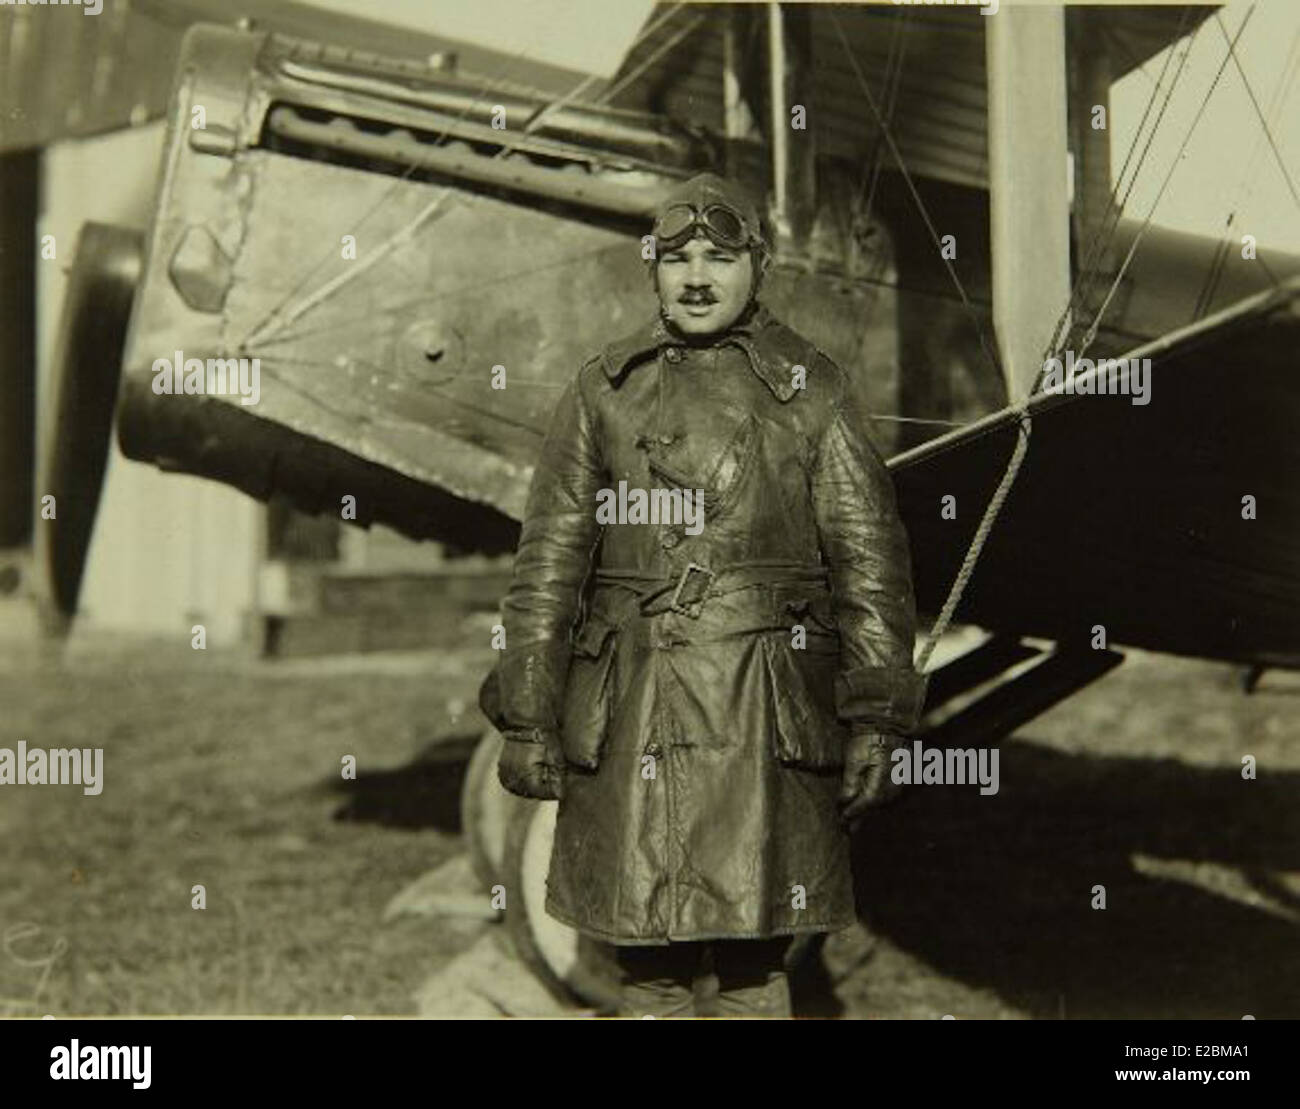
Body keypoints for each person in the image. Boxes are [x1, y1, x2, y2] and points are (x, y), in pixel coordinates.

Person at [483, 171, 923, 1017]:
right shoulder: (601, 392)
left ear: (757, 265)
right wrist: (529, 714)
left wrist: (876, 716)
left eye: (719, 257)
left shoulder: (812, 391)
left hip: (765, 712)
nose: (696, 276)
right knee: (645, 961)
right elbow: (547, 566)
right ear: (651, 270)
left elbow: (869, 564)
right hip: (632, 707)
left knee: (757, 962)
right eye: (677, 257)